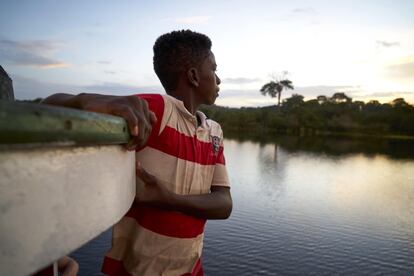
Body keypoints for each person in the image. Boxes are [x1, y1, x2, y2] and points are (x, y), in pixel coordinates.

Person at [44, 29, 232, 275]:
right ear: (194, 76)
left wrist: (169, 199)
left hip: (192, 268)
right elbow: (47, 107)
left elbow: (224, 204)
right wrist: (90, 100)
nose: (218, 79)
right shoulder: (158, 111)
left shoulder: (214, 132)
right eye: (214, 69)